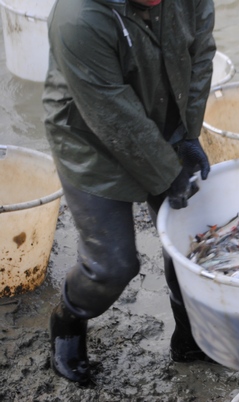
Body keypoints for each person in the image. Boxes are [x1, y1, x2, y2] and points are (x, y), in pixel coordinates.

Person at [42, 0, 215, 384]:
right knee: (111, 266)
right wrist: (169, 173)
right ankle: (68, 321)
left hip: (165, 121)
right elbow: (112, 112)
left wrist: (188, 133)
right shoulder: (78, 18)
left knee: (190, 244)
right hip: (89, 136)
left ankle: (191, 340)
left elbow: (200, 55)